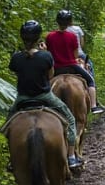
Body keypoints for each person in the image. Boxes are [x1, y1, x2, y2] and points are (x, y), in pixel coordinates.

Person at [6, 20, 82, 169]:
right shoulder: (46, 56)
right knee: (71, 120)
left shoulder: (16, 58)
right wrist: (44, 52)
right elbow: (50, 75)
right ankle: (72, 157)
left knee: (8, 125)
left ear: (22, 37)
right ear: (38, 38)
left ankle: (12, 159)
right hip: (45, 96)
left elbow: (17, 73)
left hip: (22, 98)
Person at [46, 9, 105, 114]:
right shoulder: (72, 36)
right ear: (69, 22)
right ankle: (93, 106)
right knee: (90, 80)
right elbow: (75, 55)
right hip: (71, 67)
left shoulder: (50, 36)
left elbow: (49, 52)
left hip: (56, 68)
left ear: (57, 21)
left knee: (44, 85)